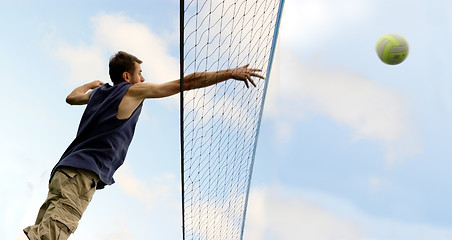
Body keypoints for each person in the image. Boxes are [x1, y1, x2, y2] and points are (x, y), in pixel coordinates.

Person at [23, 51, 264, 240]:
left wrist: (89, 84)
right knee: (52, 234)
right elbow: (187, 82)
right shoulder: (132, 91)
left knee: (43, 231)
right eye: (140, 73)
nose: (143, 78)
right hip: (82, 174)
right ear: (127, 77)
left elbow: (71, 97)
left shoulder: (99, 94)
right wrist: (229, 73)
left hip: (64, 172)